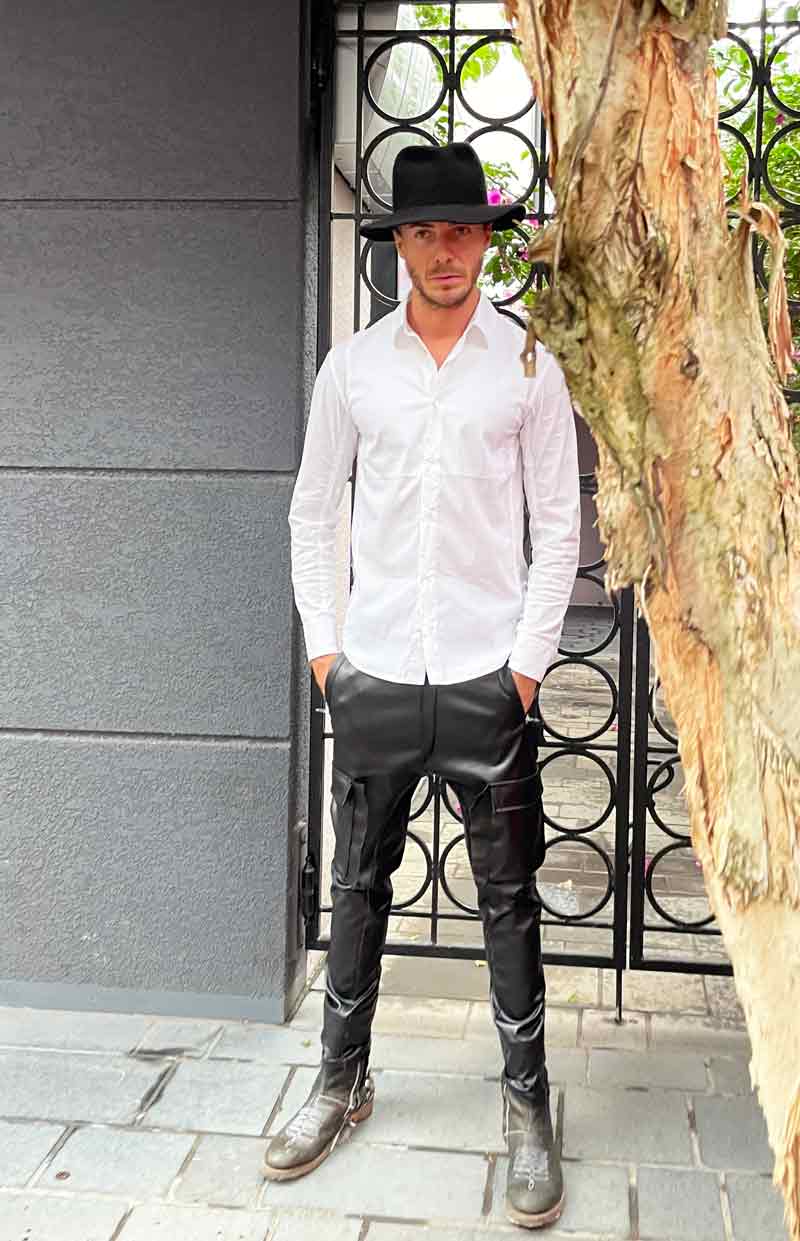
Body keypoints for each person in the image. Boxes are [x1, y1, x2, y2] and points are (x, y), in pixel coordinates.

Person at [265, 142, 580, 1231]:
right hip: (379, 673)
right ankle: (338, 1081)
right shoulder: (352, 370)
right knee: (356, 889)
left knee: (509, 899)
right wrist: (328, 656)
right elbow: (313, 511)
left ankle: (528, 1103)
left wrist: (526, 668)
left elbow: (558, 528)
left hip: (489, 678)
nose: (444, 250)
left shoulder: (530, 367)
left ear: (485, 240)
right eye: (423, 231)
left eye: (461, 230)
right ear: (397, 241)